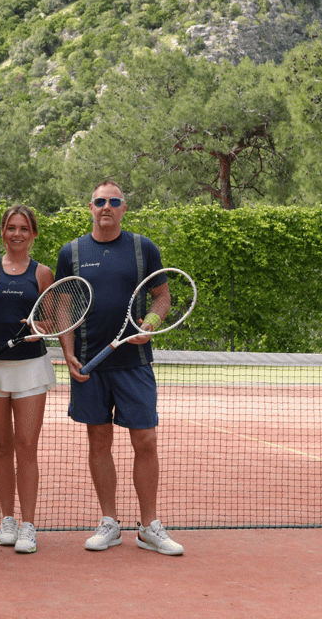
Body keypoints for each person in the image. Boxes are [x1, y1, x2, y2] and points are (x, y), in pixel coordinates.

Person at [55, 179, 184, 556]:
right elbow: (63, 304)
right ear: (91, 207)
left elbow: (161, 296)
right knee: (98, 441)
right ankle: (109, 522)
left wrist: (151, 324)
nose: (106, 207)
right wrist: (67, 352)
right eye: (100, 201)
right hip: (90, 364)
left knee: (145, 441)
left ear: (124, 208)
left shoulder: (143, 248)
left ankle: (148, 527)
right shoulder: (72, 252)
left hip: (135, 363)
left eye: (114, 201)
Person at [0, 204, 57, 554]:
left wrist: (39, 330)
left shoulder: (42, 273)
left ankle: (28, 525)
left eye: (24, 228)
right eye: (11, 227)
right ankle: (7, 519)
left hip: (31, 370)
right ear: (3, 232)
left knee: (26, 448)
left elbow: (52, 321)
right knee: (2, 448)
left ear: (33, 234)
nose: (17, 234)